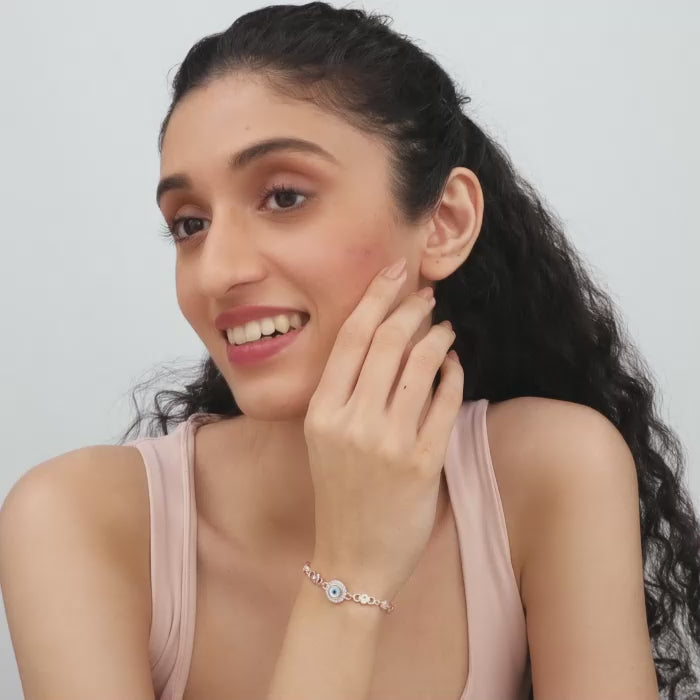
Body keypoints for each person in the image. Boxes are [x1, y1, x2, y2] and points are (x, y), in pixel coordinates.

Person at [1, 2, 698, 699]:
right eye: (190, 224)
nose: (216, 273)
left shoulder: (553, 470)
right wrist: (352, 570)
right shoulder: (75, 521)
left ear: (445, 223)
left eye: (283, 197)